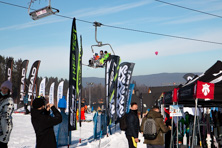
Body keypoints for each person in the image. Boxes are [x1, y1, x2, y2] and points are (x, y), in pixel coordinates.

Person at [0, 80, 14, 148]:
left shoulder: (9, 100)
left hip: (4, 127)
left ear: (9, 90)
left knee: (2, 145)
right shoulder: (1, 99)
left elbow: (6, 114)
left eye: (6, 88)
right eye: (3, 88)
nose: (4, 90)